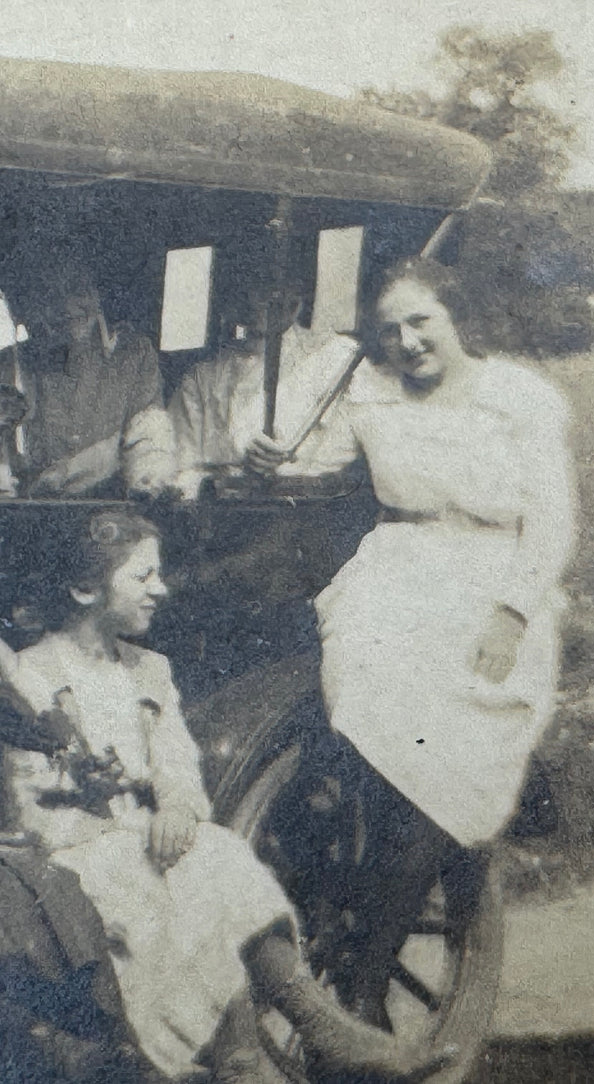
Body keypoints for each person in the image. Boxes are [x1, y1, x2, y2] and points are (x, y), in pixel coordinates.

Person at [0, 511, 447, 1083]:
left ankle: (313, 1027)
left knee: (215, 857)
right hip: (68, 856)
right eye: (142, 577)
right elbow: (28, 794)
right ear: (86, 590)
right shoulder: (31, 677)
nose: (159, 589)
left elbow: (177, 762)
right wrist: (103, 804)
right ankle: (251, 1061)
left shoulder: (148, 672)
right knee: (178, 890)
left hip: (146, 845)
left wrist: (178, 808)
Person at [244, 256, 577, 854]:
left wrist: (513, 612)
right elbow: (314, 458)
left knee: (468, 717)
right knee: (361, 685)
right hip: (401, 560)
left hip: (496, 567)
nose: (408, 341)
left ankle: (502, 792)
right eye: (391, 330)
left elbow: (552, 520)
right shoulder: (371, 396)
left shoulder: (518, 397)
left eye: (421, 321)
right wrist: (272, 458)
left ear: (455, 316)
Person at [168, 280, 360, 499]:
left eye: (269, 289)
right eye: (248, 287)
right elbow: (177, 472)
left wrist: (285, 468)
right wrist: (228, 477)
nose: (255, 300)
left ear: (295, 300)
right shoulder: (203, 378)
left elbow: (348, 465)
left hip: (314, 514)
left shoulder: (338, 359)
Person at [9, 261, 173, 497]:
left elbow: (149, 438)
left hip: (115, 506)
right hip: (39, 507)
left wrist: (146, 484)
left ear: (97, 294)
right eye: (50, 294)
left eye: (77, 289)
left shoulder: (135, 354)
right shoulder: (20, 362)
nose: (67, 305)